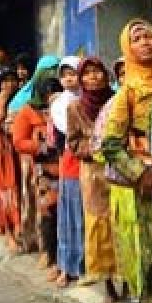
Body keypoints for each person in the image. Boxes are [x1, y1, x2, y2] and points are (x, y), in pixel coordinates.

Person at [102, 19, 152, 303]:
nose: (146, 42)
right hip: (150, 177)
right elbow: (110, 144)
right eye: (137, 38)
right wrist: (139, 173)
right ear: (127, 48)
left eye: (149, 36)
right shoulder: (128, 91)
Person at [65, 57, 122, 303]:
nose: (93, 77)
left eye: (97, 72)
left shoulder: (118, 100)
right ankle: (109, 285)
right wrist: (94, 148)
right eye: (86, 74)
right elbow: (73, 142)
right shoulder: (75, 108)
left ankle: (128, 282)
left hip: (119, 169)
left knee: (121, 223)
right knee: (100, 228)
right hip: (93, 174)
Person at [12, 64, 62, 268]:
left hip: (67, 167)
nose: (52, 95)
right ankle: (48, 253)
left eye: (55, 89)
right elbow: (18, 141)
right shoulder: (27, 111)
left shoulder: (68, 105)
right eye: (48, 90)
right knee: (48, 212)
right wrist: (42, 146)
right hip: (44, 171)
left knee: (67, 213)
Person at [52, 58, 84, 287]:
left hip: (93, 164)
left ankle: (83, 266)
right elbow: (69, 130)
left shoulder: (94, 96)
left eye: (74, 73)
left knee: (85, 218)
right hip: (72, 160)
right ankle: (66, 266)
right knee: (69, 217)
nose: (70, 78)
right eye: (65, 74)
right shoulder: (60, 104)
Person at [0, 69, 22, 250]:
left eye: (12, 80)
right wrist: (1, 105)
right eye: (5, 81)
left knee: (19, 188)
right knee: (5, 191)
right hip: (2, 151)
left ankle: (20, 226)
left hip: (19, 151)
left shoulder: (23, 100)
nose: (9, 84)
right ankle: (9, 230)